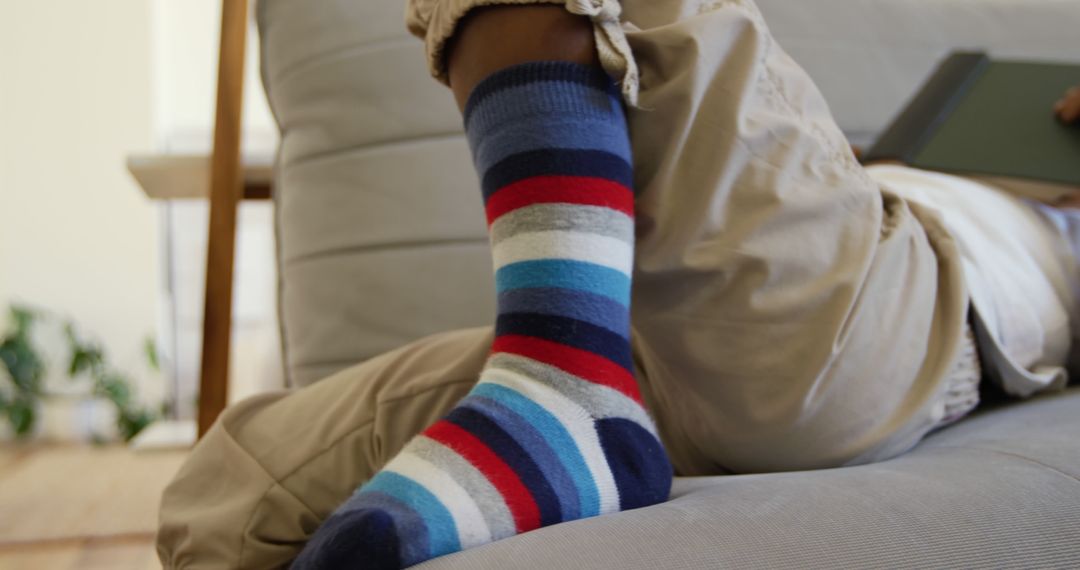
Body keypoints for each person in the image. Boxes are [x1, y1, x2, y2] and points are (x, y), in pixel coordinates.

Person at [157, 1, 1080, 568]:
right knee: (234, 482)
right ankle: (566, 382)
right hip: (655, 326)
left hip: (899, 310)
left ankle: (562, 380)